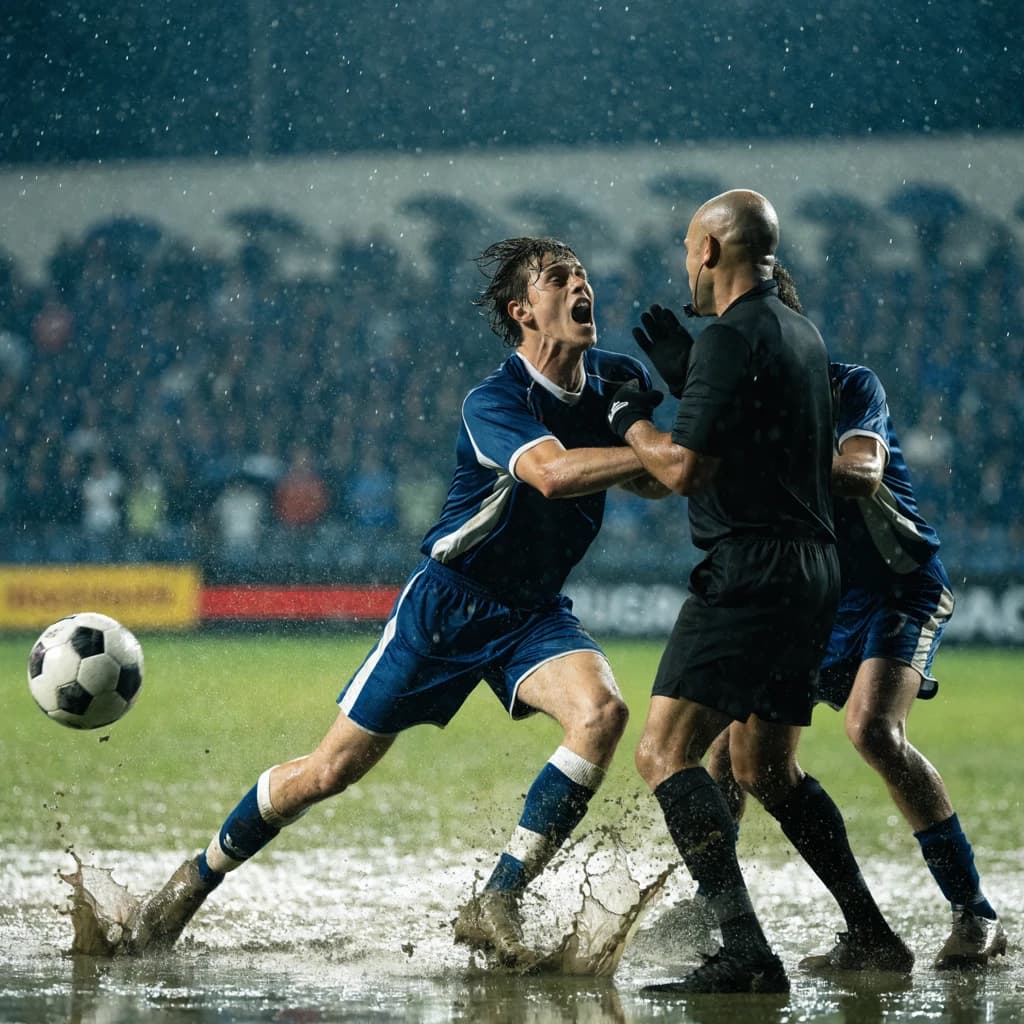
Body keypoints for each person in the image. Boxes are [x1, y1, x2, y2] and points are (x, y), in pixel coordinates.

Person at [123, 236, 667, 969]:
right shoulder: (495, 400)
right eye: (559, 278)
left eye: (583, 274)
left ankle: (498, 895)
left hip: (532, 612)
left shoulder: (617, 378)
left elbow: (654, 483)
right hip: (448, 605)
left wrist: (668, 451)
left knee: (602, 713)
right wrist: (665, 451)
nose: (582, 287)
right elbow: (555, 475)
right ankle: (197, 877)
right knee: (327, 772)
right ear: (522, 310)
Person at [606, 189, 912, 995]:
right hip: (813, 573)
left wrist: (633, 417)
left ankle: (744, 950)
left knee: (663, 752)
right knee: (765, 768)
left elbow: (682, 472)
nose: (685, 266)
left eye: (686, 249)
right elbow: (775, 442)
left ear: (710, 250)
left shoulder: (730, 337)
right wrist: (689, 372)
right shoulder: (799, 334)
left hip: (749, 571)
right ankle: (873, 933)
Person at [705, 264, 1007, 971]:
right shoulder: (738, 407)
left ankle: (975, 914)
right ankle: (721, 916)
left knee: (872, 729)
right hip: (813, 595)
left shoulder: (848, 384)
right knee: (727, 757)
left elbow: (861, 474)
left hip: (897, 584)